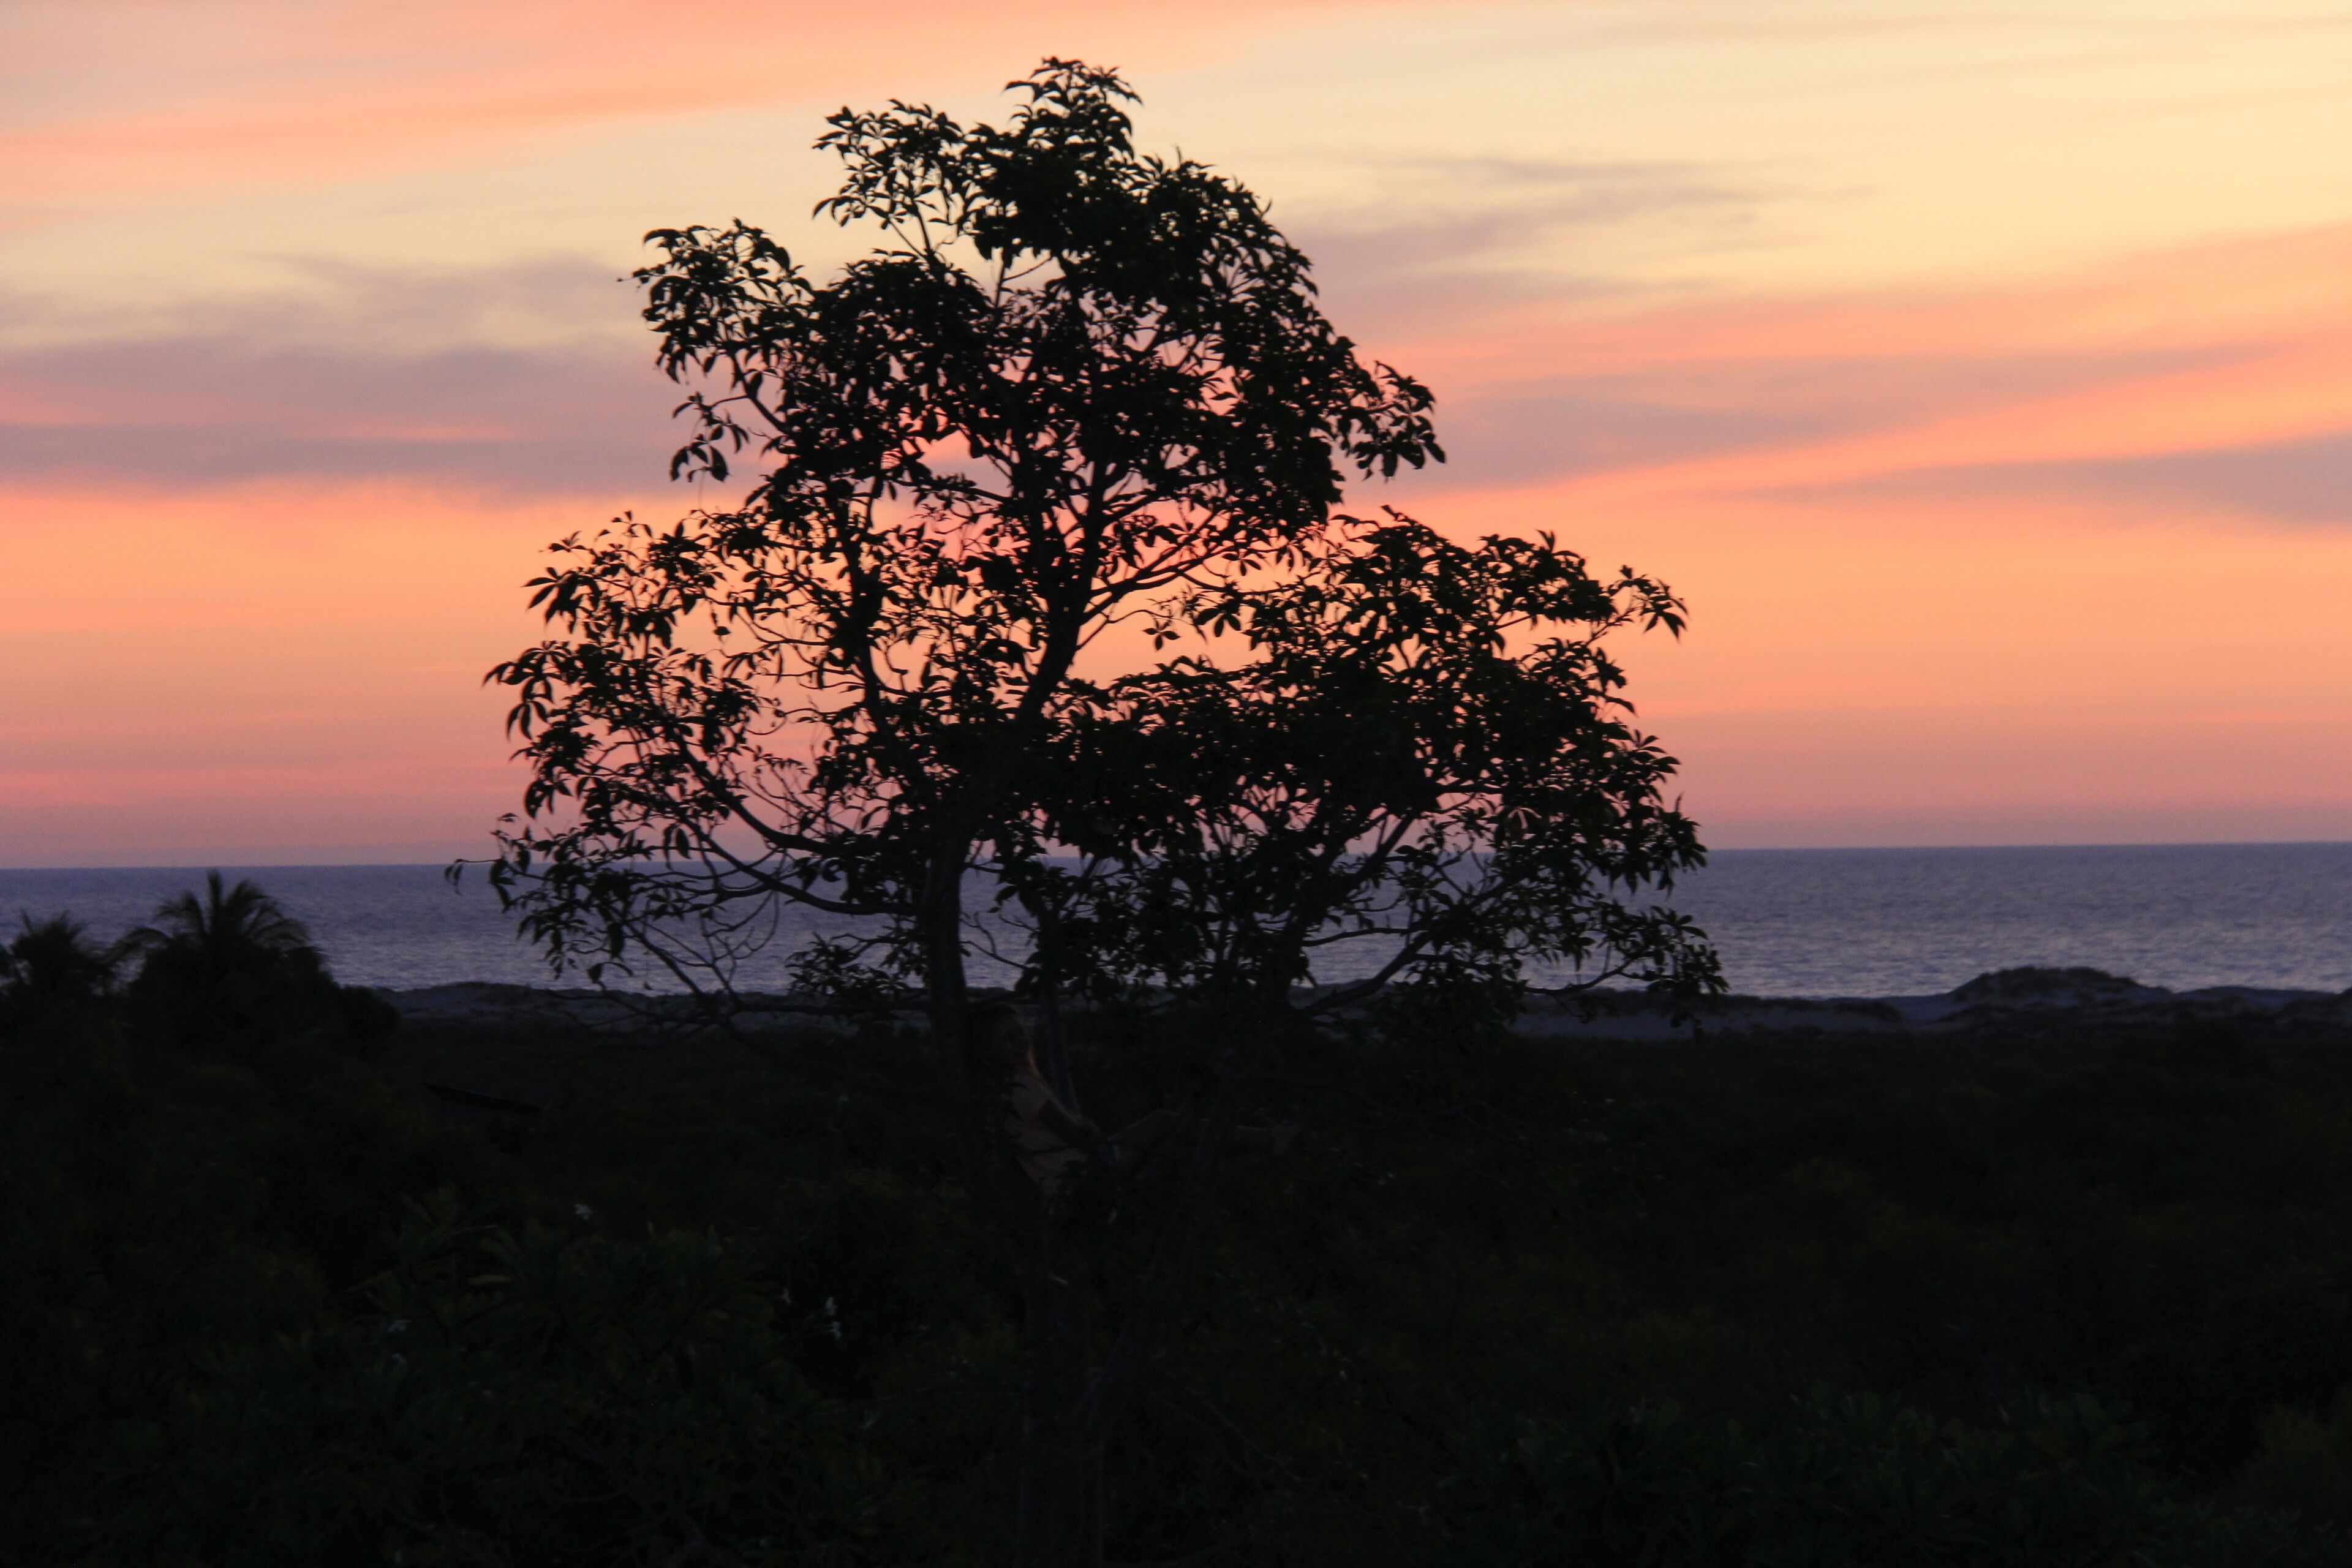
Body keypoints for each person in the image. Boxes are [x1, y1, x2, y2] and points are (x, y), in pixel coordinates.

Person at [965, 1001, 1296, 1203]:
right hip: (1086, 1179)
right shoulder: (1023, 1088)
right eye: (1008, 1038)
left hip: (1066, 1186)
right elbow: (1078, 1139)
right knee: (1163, 1120)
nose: (1020, 1042)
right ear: (989, 1050)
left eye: (1020, 1033)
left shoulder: (1003, 1092)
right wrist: (1090, 1128)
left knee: (1167, 1130)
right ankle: (1267, 1139)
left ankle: (1253, 1140)